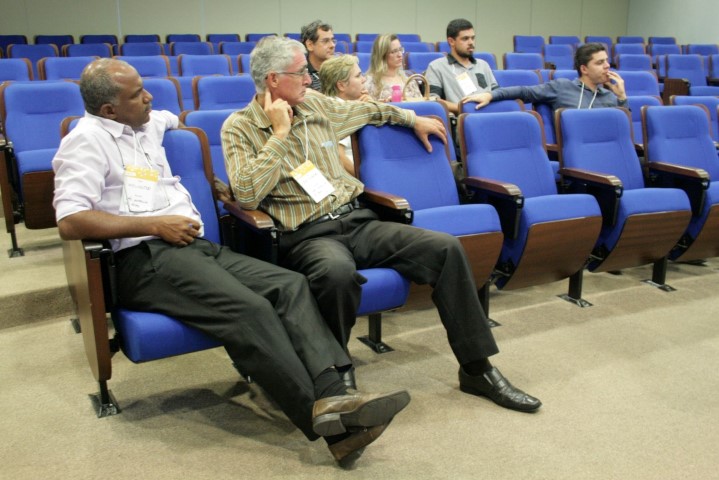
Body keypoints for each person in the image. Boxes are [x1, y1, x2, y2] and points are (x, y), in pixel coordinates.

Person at [52, 58, 412, 464]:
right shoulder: (85, 141)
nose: (149, 96)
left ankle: (337, 395)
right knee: (250, 310)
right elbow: (70, 221)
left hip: (193, 247)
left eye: (144, 87)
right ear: (108, 111)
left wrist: (215, 183)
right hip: (144, 257)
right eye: (137, 94)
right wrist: (156, 224)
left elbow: (176, 119)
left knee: (289, 286)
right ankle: (325, 422)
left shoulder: (147, 122)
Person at [221, 36, 542, 414]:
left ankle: (477, 368)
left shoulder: (316, 105)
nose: (310, 78)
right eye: (302, 73)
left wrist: (412, 117)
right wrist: (278, 134)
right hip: (307, 234)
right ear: (273, 79)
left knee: (445, 248)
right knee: (336, 275)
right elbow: (245, 194)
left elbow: (370, 111)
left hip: (356, 220)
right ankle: (338, 376)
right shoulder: (239, 127)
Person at [467, 42, 628, 111]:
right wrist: (490, 94)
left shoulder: (609, 97)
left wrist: (621, 97)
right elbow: (524, 92)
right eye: (600, 63)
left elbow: (621, 133)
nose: (607, 66)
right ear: (584, 69)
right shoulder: (562, 87)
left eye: (607, 61)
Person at [424, 18, 498, 115]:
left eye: (473, 38)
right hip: (462, 120)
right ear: (451, 41)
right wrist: (465, 109)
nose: (471, 42)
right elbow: (433, 101)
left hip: (490, 116)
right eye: (465, 38)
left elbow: (497, 94)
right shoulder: (436, 67)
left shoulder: (483, 65)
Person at [319, 54, 372, 175]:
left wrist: (371, 107)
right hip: (358, 184)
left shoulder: (352, 105)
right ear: (341, 85)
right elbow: (339, 157)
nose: (364, 79)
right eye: (358, 76)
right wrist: (369, 182)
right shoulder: (337, 113)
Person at [364, 34, 424, 102]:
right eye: (394, 51)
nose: (400, 55)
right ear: (382, 55)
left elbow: (421, 105)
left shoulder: (409, 81)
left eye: (400, 50)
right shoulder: (369, 82)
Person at [300, 19, 336, 91]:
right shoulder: (300, 73)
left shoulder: (338, 68)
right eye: (325, 41)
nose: (332, 45)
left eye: (333, 40)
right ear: (310, 45)